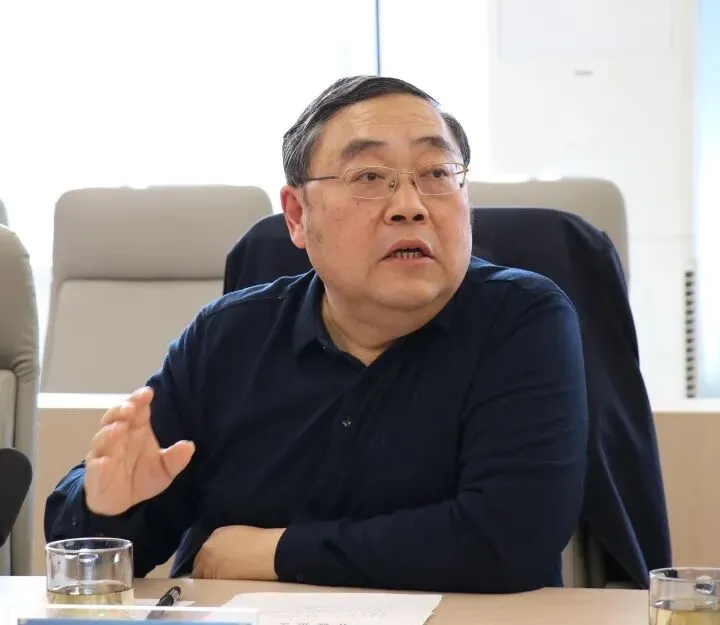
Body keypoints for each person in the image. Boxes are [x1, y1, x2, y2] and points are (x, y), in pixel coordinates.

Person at [45, 76, 588, 593]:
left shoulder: (520, 320)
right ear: (297, 215)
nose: (410, 206)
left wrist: (275, 553)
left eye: (437, 173)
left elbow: (510, 538)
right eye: (369, 177)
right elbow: (102, 552)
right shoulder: (229, 336)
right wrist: (107, 507)